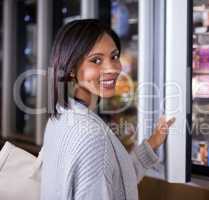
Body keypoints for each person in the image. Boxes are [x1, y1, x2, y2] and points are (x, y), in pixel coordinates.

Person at [40, 19, 175, 200]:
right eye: (96, 60)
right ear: (71, 68)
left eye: (114, 56)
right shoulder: (92, 136)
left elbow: (115, 181)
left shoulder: (59, 118)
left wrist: (153, 142)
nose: (111, 68)